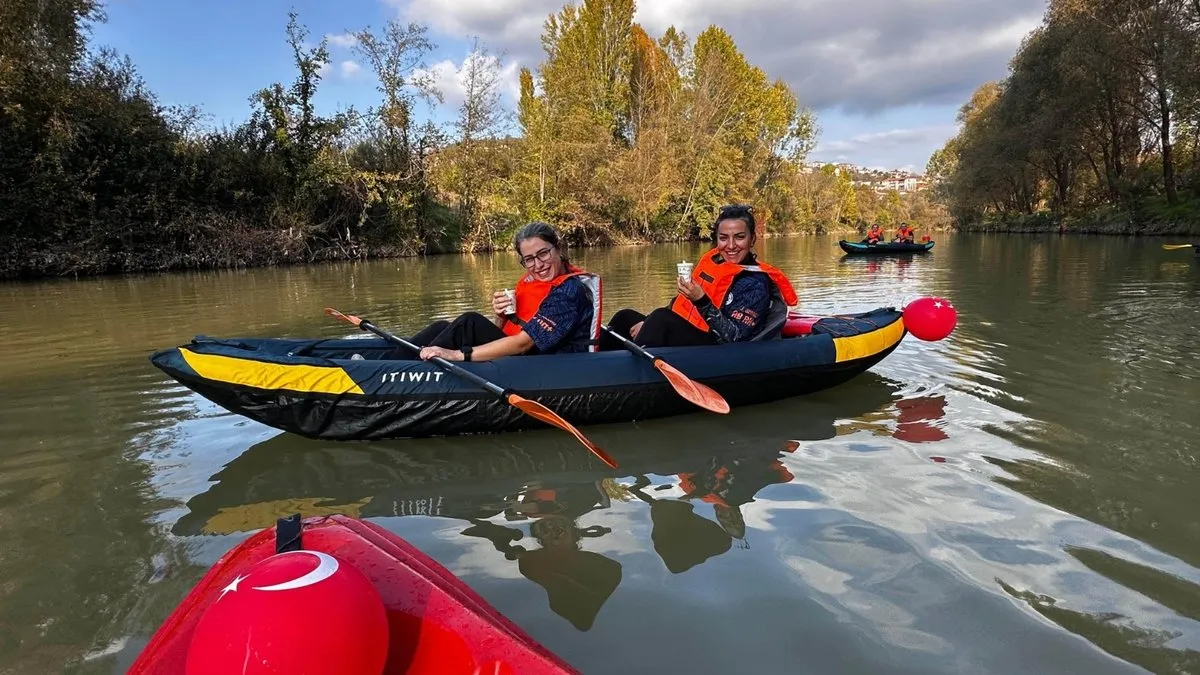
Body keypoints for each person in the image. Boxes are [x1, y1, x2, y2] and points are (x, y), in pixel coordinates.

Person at [600, 204, 798, 349]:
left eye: (739, 237)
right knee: (625, 317)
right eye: (723, 238)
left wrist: (701, 300)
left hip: (719, 351)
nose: (730, 246)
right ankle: (594, 364)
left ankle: (631, 375)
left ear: (752, 239)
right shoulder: (713, 266)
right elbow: (678, 308)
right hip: (694, 332)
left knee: (660, 319)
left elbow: (734, 338)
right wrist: (647, 324)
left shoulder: (755, 283)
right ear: (716, 240)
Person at [405, 222, 603, 363]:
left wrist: (456, 355)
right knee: (441, 325)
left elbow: (522, 344)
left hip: (547, 364)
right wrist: (500, 317)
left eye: (543, 253)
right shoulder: (535, 282)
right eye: (529, 259)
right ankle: (387, 365)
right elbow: (506, 332)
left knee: (469, 323)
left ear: (558, 249)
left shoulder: (569, 290)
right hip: (525, 355)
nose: (538, 265)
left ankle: (406, 372)